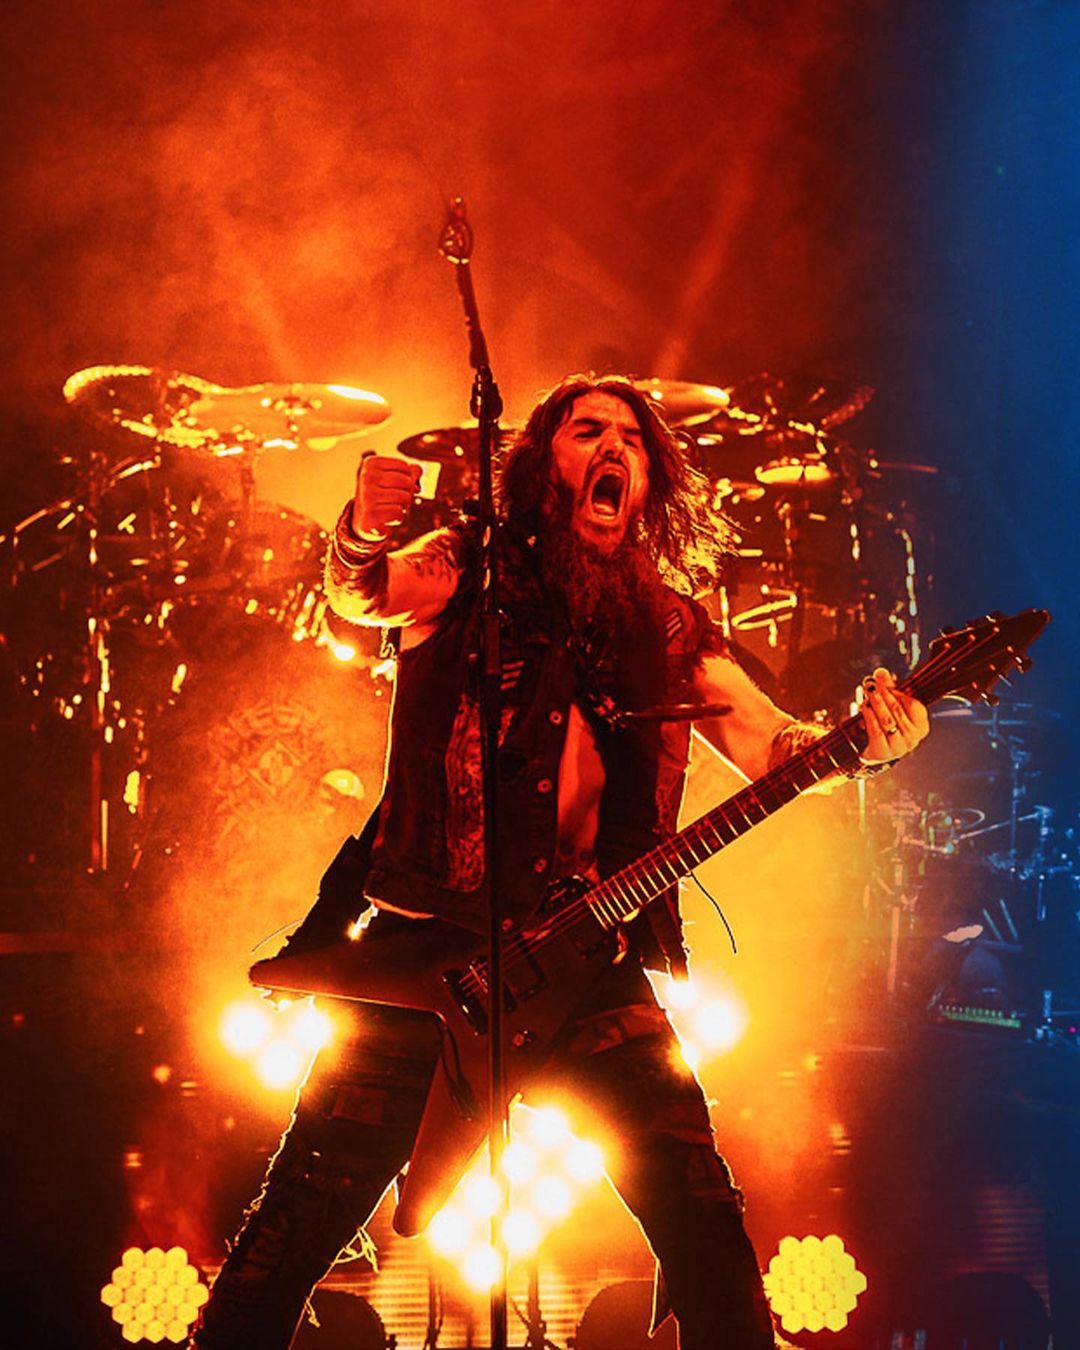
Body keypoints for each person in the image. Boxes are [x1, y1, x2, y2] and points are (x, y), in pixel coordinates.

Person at [191, 374, 928, 1349]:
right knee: (293, 1224)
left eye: (632, 437)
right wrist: (362, 532)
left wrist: (866, 746)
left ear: (651, 480)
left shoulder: (672, 626)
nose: (613, 446)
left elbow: (776, 747)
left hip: (589, 962)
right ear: (543, 464)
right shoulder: (465, 574)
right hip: (428, 957)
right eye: (588, 431)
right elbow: (363, 592)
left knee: (703, 1221)